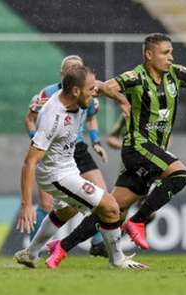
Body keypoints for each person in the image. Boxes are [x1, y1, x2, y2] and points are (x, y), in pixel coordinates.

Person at [52, 32, 186, 256]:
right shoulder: (135, 77)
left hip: (153, 153)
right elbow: (104, 86)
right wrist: (104, 94)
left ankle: (62, 247)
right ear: (149, 55)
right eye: (165, 53)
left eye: (171, 52)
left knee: (114, 208)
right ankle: (138, 221)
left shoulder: (178, 74)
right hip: (137, 147)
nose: (170, 57)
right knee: (180, 174)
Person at [15, 64, 147, 270]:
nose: (95, 93)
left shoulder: (75, 94)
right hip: (55, 175)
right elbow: (30, 161)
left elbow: (102, 87)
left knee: (66, 211)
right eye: (90, 89)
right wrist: (25, 204)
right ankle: (118, 260)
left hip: (68, 166)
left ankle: (30, 253)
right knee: (111, 207)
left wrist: (121, 100)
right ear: (76, 90)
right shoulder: (53, 117)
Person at [23, 55, 108, 259]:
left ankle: (97, 243)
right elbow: (30, 119)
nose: (73, 72)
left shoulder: (87, 95)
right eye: (69, 69)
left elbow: (91, 118)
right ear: (62, 75)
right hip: (52, 151)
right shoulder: (47, 96)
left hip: (77, 149)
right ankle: (34, 251)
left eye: (77, 69)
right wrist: (38, 139)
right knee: (47, 205)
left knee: (102, 196)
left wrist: (96, 141)